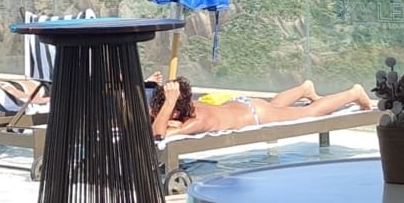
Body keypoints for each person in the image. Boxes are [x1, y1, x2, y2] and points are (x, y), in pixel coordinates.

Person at [148, 74, 373, 136]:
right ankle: (304, 88)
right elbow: (158, 121)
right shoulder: (188, 107)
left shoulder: (197, 121)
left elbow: (158, 135)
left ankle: (354, 93)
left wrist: (168, 105)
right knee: (276, 106)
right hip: (244, 105)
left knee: (310, 112)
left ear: (174, 110)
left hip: (256, 114)